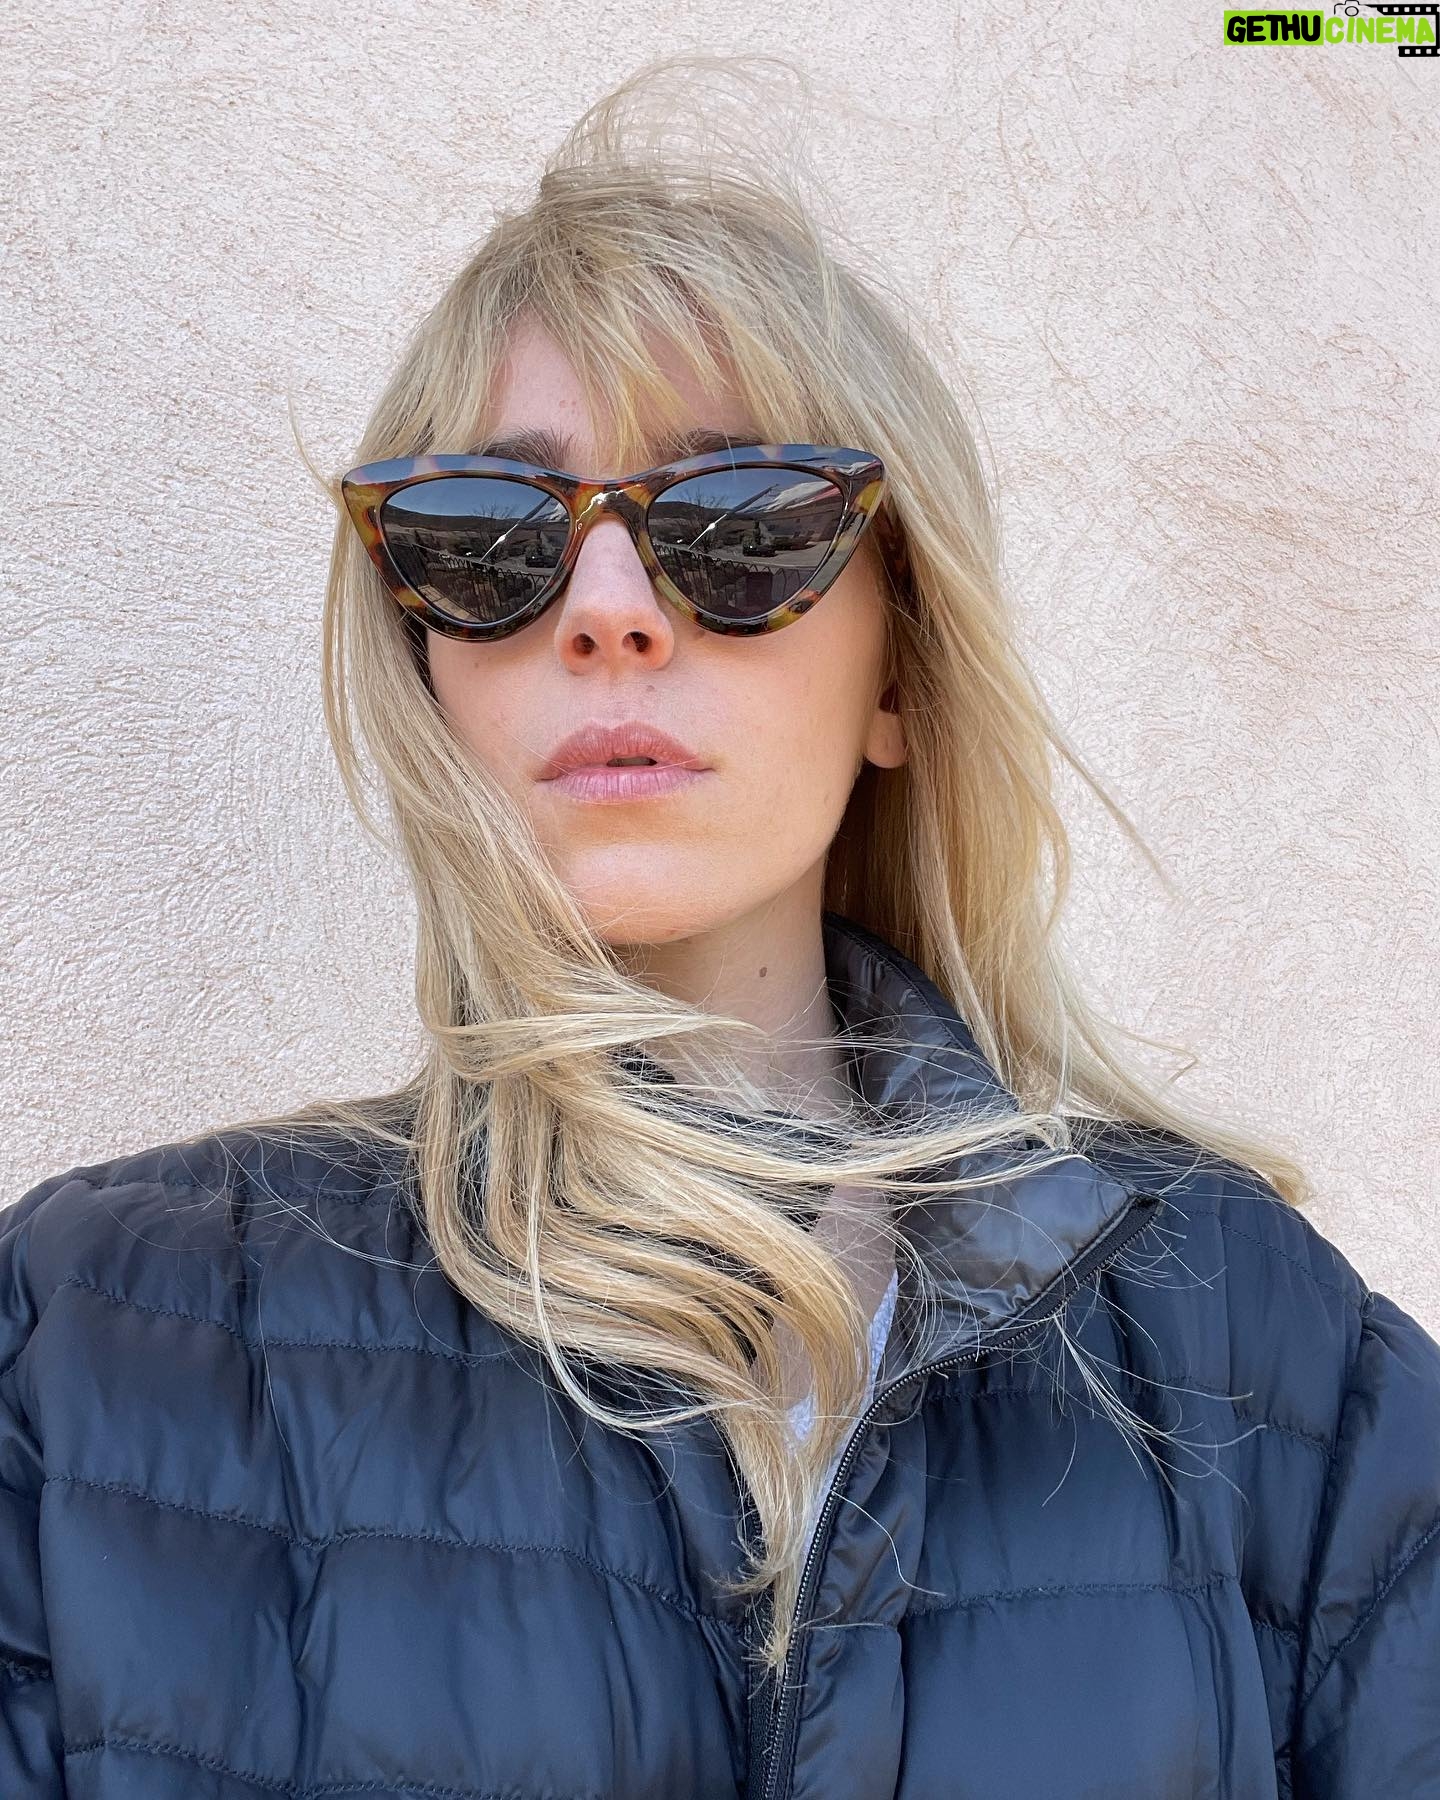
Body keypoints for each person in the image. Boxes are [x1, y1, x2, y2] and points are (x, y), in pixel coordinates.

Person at [3, 52, 1437, 1800]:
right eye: (489, 537)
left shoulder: (1261, 1357)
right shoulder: (97, 1339)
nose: (608, 608)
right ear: (426, 661)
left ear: (902, 669)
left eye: (742, 524)